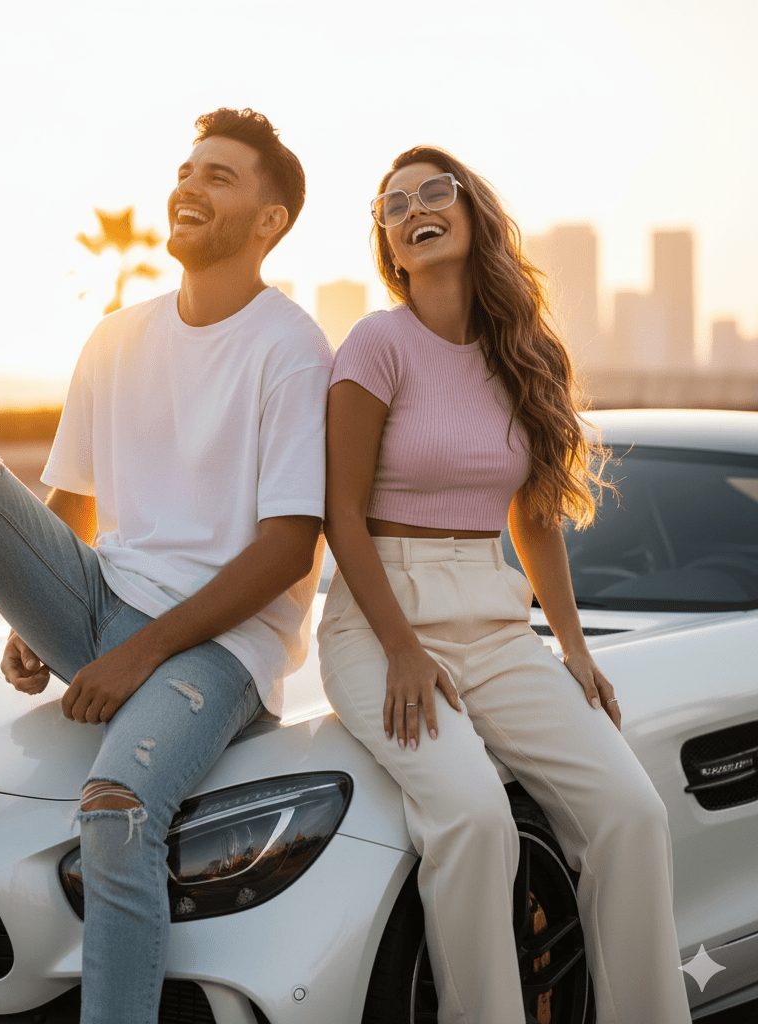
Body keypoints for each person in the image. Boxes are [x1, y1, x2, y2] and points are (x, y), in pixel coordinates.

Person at [0, 107, 332, 1024]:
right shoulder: (116, 336)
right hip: (102, 599)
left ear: (270, 220)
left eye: (220, 176)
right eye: (187, 169)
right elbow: (75, 503)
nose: (189, 186)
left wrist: (136, 658)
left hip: (219, 646)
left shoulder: (291, 348)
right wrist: (31, 619)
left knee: (115, 813)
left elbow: (290, 548)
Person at [318, 146, 692, 1023]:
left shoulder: (523, 353)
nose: (414, 207)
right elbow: (340, 513)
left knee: (631, 813)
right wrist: (403, 650)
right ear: (391, 246)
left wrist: (572, 647)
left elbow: (534, 522)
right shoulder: (376, 344)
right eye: (393, 204)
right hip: (380, 629)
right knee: (475, 820)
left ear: (473, 211)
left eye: (433, 190)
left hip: (493, 626)